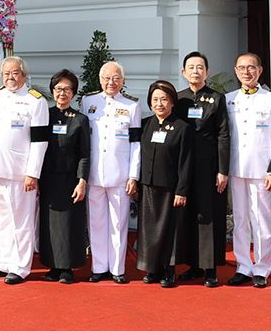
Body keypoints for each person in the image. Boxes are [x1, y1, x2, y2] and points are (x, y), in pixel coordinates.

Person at [0, 56, 49, 285]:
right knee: (1, 219)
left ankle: (20, 267)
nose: (10, 78)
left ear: (24, 75)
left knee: (21, 220)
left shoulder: (35, 101)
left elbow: (40, 141)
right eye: (6, 74)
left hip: (21, 172)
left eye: (15, 73)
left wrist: (33, 173)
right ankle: (4, 262)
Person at [223, 52, 271, 288]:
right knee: (239, 219)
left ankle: (261, 268)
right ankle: (242, 266)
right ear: (236, 71)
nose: (246, 72)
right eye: (241, 68)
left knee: (262, 219)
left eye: (251, 68)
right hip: (236, 168)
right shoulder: (229, 99)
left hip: (262, 170)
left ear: (260, 70)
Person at [79, 61, 140, 283]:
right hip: (95, 174)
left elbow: (135, 144)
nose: (110, 82)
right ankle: (98, 267)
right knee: (96, 222)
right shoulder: (89, 102)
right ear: (100, 79)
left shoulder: (132, 106)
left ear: (122, 81)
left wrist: (134, 175)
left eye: (115, 78)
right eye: (106, 78)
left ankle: (117, 269)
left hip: (120, 175)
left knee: (118, 223)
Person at [175, 51, 231, 287]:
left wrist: (223, 169)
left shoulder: (217, 98)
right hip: (184, 165)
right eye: (191, 67)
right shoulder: (178, 99)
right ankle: (192, 265)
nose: (196, 71)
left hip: (209, 166)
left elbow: (224, 134)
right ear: (184, 72)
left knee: (208, 215)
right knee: (188, 214)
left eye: (200, 67)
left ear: (207, 72)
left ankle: (210, 268)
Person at [134, 80, 193, 288]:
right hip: (148, 186)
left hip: (171, 188)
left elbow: (185, 162)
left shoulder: (182, 127)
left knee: (170, 231)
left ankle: (169, 270)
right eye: (155, 99)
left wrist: (182, 190)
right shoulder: (145, 124)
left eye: (164, 99)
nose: (160, 104)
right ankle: (153, 268)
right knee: (149, 230)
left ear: (172, 102)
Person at [39, 69, 90, 283]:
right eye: (59, 89)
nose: (62, 93)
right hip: (48, 179)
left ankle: (68, 267)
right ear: (52, 91)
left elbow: (84, 153)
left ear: (74, 93)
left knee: (70, 224)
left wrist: (82, 180)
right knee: (49, 224)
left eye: (67, 89)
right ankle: (52, 266)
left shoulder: (80, 120)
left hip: (71, 180)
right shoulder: (44, 116)